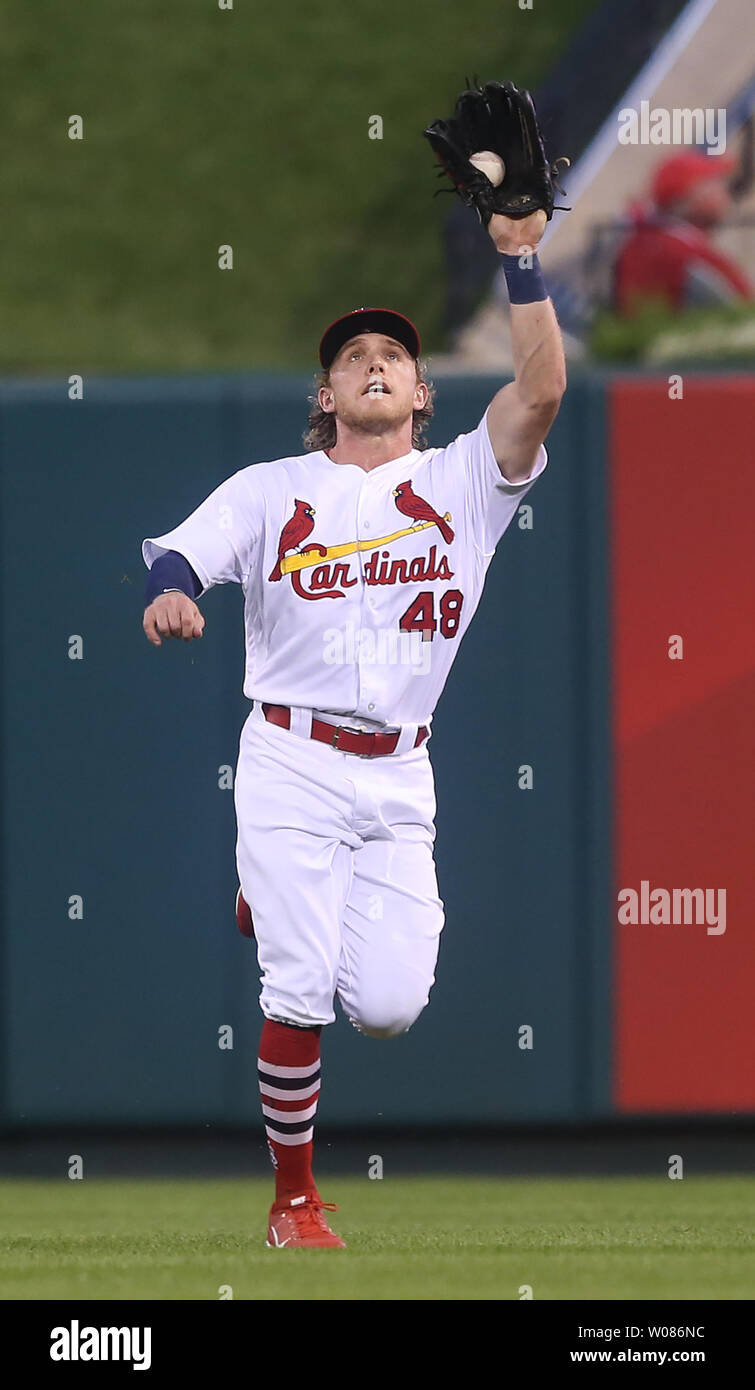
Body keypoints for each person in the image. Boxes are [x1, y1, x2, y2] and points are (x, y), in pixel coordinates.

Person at [141, 208, 565, 1249]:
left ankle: (265, 897)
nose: (372, 364)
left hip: (397, 775)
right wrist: (173, 594)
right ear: (323, 396)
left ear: (422, 392)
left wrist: (517, 259)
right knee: (298, 984)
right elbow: (179, 554)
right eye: (350, 358)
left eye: (392, 355)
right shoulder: (271, 489)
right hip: (289, 753)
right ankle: (293, 1202)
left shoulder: (463, 481)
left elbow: (543, 387)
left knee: (385, 1003)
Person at [613, 151, 752, 316]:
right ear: (689, 197)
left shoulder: (645, 242)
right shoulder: (685, 252)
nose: (726, 192)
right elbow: (744, 310)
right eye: (716, 183)